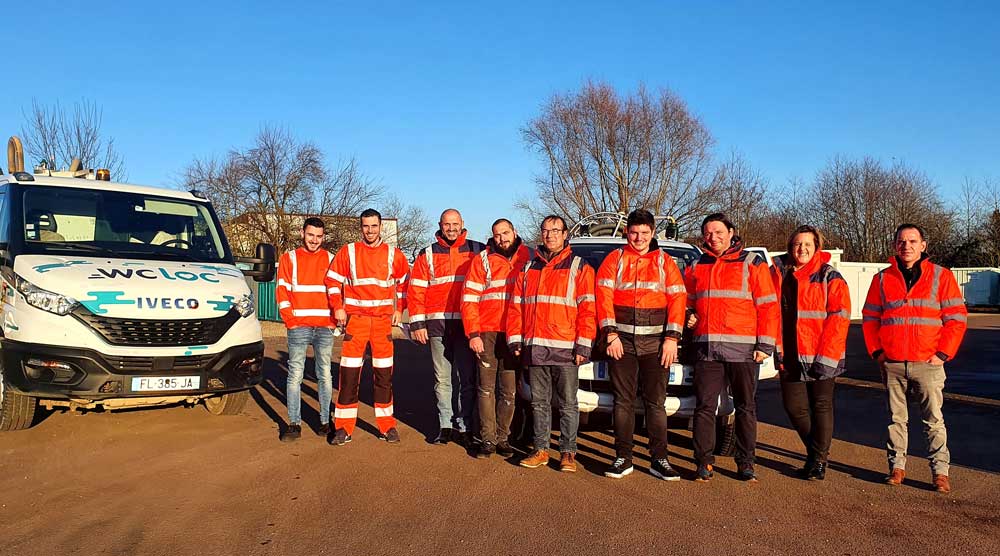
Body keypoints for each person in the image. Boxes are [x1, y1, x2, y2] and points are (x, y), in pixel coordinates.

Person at [862, 223, 968, 493]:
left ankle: (940, 472)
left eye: (912, 241)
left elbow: (956, 318)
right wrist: (878, 352)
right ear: (895, 246)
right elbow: (870, 318)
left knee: (933, 420)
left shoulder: (940, 277)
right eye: (901, 241)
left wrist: (943, 353)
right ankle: (897, 468)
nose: (906, 246)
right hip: (894, 363)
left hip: (928, 363)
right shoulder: (883, 279)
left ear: (923, 246)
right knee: (895, 420)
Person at [685, 213, 778, 482]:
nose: (713, 238)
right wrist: (688, 314)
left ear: (731, 232)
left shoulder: (752, 263)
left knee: (745, 407)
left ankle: (746, 462)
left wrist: (765, 345)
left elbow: (768, 306)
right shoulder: (697, 265)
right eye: (708, 233)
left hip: (744, 349)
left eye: (718, 232)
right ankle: (703, 462)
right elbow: (687, 299)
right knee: (704, 407)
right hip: (707, 348)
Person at [595, 209, 686, 481]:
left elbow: (678, 299)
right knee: (622, 402)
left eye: (645, 233)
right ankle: (623, 457)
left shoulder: (664, 261)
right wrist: (610, 334)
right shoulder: (616, 259)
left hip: (656, 346)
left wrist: (672, 339)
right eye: (634, 232)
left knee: (655, 404)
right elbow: (603, 295)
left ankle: (660, 459)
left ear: (653, 233)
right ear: (627, 233)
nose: (639, 238)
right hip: (621, 344)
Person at [508, 215, 596, 473]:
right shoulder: (528, 268)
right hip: (535, 348)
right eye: (545, 230)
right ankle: (541, 449)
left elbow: (588, 309)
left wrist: (583, 346)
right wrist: (516, 340)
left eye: (555, 230)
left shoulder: (579, 267)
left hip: (566, 349)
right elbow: (516, 308)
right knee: (539, 403)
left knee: (568, 404)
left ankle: (568, 453)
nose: (550, 235)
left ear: (565, 234)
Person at [769, 225, 851, 481]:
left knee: (821, 406)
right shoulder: (777, 274)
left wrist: (826, 358)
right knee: (794, 408)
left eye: (807, 244)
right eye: (797, 244)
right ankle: (817, 454)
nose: (802, 249)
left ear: (817, 248)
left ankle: (817, 461)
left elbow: (839, 320)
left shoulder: (829, 277)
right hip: (789, 353)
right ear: (789, 247)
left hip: (821, 354)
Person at [325, 209, 410, 445]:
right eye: (365, 226)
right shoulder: (349, 252)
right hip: (357, 321)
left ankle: (387, 426)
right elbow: (332, 280)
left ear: (380, 226)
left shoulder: (394, 254)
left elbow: (404, 283)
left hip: (382, 322)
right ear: (360, 227)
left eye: (374, 226)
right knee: (349, 375)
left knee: (384, 376)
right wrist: (337, 307)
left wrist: (398, 308)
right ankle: (343, 428)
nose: (370, 230)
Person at [408, 209, 486, 446]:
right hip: (437, 327)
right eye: (446, 224)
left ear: (463, 224)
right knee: (442, 380)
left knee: (467, 380)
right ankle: (445, 426)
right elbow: (416, 291)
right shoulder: (427, 254)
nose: (451, 228)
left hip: (466, 327)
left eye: (455, 224)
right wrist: (417, 323)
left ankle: (465, 426)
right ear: (440, 225)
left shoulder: (478, 250)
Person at [461, 218, 533, 459]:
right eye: (497, 235)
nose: (502, 238)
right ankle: (487, 440)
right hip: (487, 332)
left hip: (515, 333)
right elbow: (469, 299)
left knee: (509, 391)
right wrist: (473, 333)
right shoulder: (481, 259)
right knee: (485, 389)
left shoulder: (529, 257)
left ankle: (504, 438)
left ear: (515, 231)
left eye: (506, 233)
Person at [275, 217, 335, 442]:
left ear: (323, 237)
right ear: (302, 233)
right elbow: (282, 292)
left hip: (324, 327)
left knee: (325, 375)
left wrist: (331, 322)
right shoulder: (289, 258)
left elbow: (337, 292)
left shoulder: (330, 259)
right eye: (311, 235)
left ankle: (325, 421)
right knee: (295, 375)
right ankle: (294, 423)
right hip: (298, 326)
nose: (314, 240)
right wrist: (291, 321)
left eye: (319, 236)